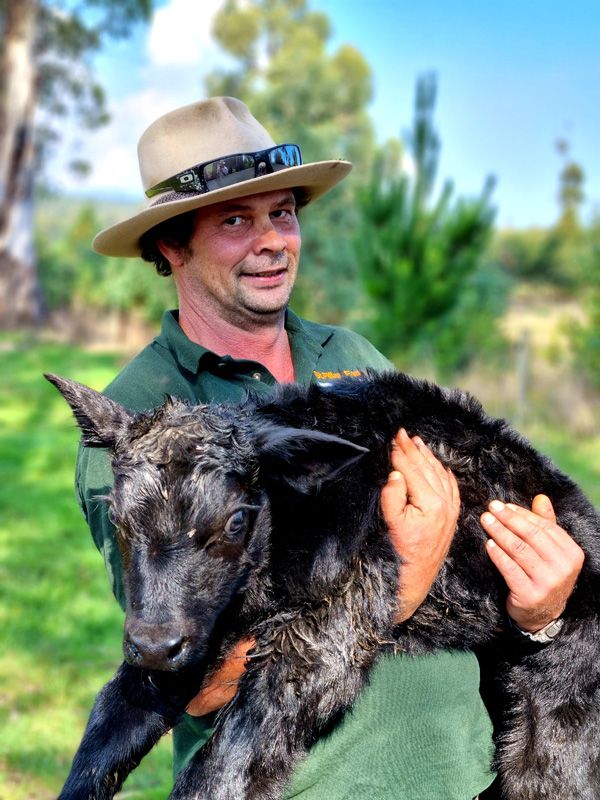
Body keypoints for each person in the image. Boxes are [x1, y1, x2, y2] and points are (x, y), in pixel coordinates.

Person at [76, 96, 584, 799]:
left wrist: (543, 612)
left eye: (282, 213)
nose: (272, 241)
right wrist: (395, 583)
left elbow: (471, 557)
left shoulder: (350, 356)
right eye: (234, 221)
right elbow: (183, 680)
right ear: (171, 244)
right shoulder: (138, 428)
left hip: (465, 772)